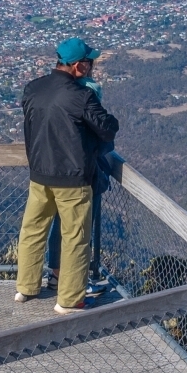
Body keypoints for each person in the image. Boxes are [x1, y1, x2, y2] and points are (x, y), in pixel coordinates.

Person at [16, 37, 121, 312]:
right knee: (75, 238)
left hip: (40, 173)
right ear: (78, 66)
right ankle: (70, 299)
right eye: (88, 62)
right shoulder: (80, 96)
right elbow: (107, 128)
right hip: (73, 177)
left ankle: (25, 288)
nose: (91, 66)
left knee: (32, 230)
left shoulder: (33, 88)